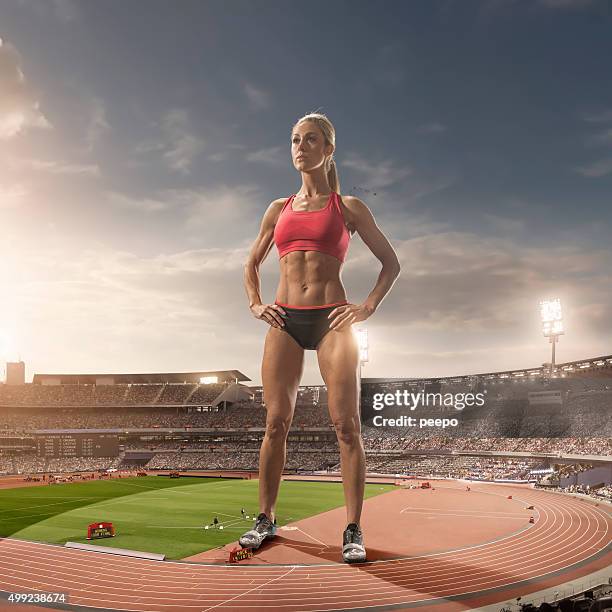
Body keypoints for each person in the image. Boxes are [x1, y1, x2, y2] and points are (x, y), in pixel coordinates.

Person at [240, 112, 400, 563]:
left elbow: (391, 263)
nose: (300, 147)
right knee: (276, 424)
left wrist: (366, 307)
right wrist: (255, 303)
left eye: (310, 140)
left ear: (328, 149)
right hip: (284, 320)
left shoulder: (348, 207)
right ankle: (265, 519)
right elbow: (250, 264)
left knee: (346, 426)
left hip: (332, 319)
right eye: (294, 140)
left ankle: (352, 528)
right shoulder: (278, 209)